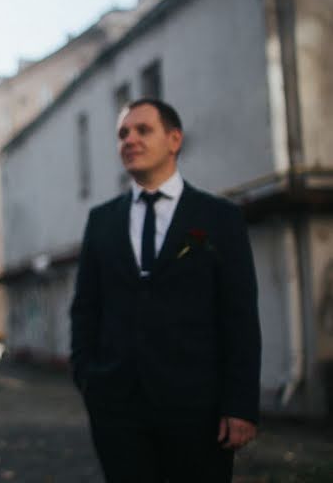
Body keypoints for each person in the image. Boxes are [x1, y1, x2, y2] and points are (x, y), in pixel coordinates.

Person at [70, 99, 261, 482]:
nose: (130, 140)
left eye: (143, 130)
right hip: (118, 410)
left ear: (174, 140)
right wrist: (89, 380)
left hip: (198, 410)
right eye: (123, 133)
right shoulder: (102, 220)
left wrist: (240, 404)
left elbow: (238, 316)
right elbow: (86, 309)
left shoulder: (219, 218)